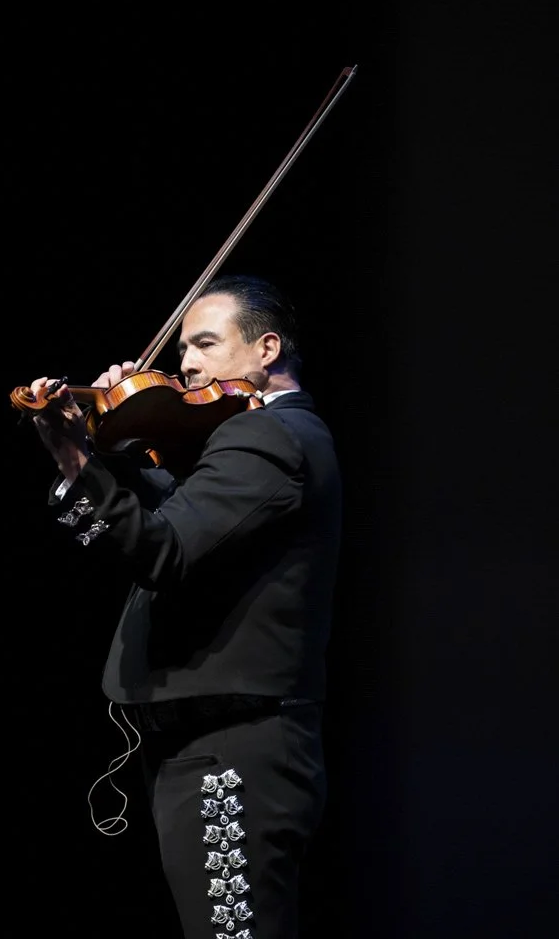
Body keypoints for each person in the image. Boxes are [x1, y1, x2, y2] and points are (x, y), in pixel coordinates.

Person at [26, 273, 342, 939]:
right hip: (219, 744)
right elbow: (182, 514)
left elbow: (163, 550)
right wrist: (112, 445)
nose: (187, 365)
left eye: (202, 344)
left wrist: (81, 461)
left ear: (265, 349)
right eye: (181, 353)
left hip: (230, 753)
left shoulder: (269, 441)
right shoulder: (257, 440)